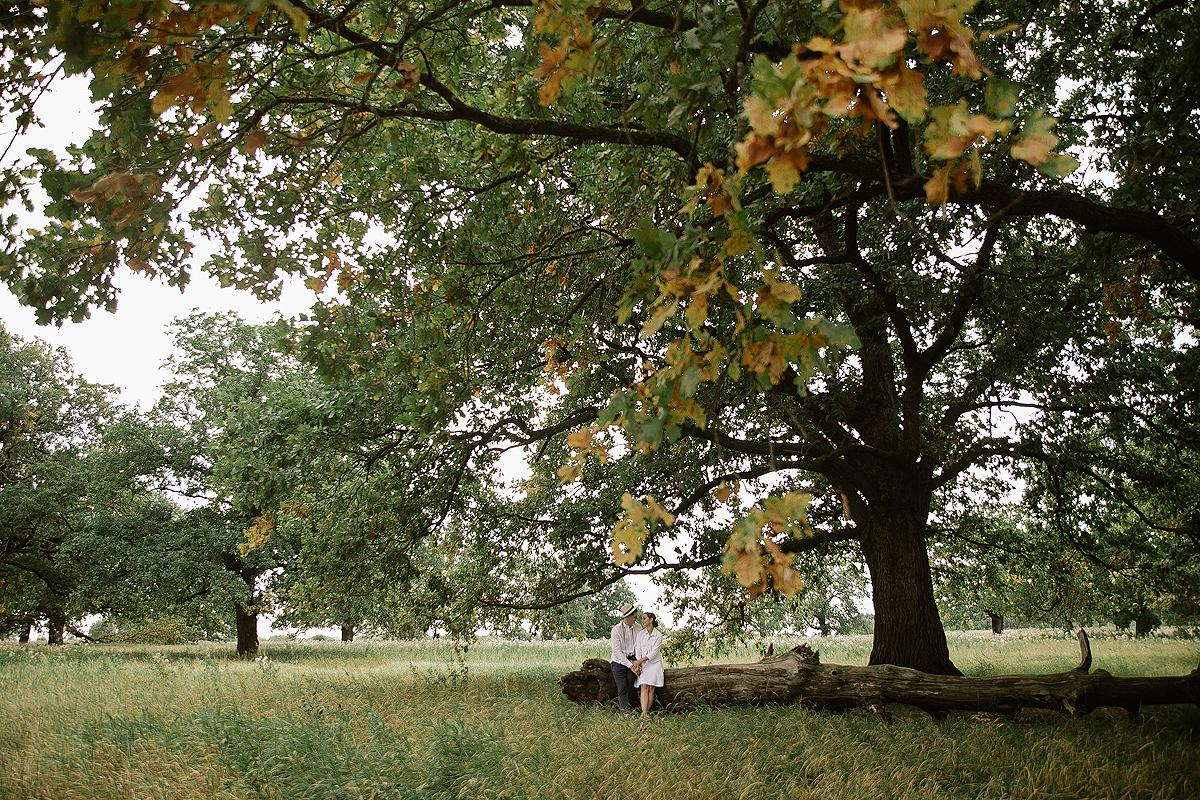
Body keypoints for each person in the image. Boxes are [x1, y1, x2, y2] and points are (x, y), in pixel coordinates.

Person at [631, 611, 663, 717]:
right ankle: (644, 714)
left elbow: (654, 653)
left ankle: (646, 713)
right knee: (643, 686)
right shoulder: (641, 634)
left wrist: (639, 661)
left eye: (644, 618)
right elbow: (638, 649)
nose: (643, 621)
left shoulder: (658, 635)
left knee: (651, 688)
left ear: (651, 620)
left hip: (654, 664)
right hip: (643, 664)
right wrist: (639, 664)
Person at [608, 602, 639, 712]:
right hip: (618, 661)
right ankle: (625, 711)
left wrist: (637, 662)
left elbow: (639, 646)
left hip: (633, 660)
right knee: (622, 686)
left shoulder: (638, 628)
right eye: (634, 616)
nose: (636, 618)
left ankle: (631, 707)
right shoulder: (616, 630)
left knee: (631, 684)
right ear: (627, 617)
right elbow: (617, 651)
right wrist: (630, 665)